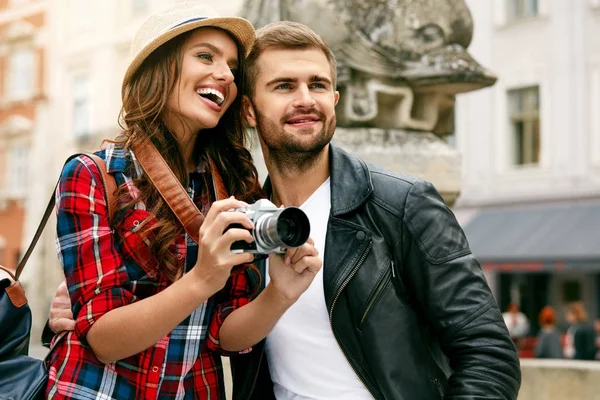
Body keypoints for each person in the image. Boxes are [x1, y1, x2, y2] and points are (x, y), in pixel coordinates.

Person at [48, 19, 521, 400]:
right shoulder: (246, 206)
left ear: (335, 101)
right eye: (284, 85)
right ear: (249, 110)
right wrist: (91, 303)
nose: (305, 100)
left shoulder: (400, 204)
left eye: (318, 85)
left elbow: (488, 353)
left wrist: (270, 291)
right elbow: (209, 331)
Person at [45, 5, 321, 399]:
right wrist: (202, 280)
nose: (225, 75)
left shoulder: (237, 187)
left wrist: (281, 294)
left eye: (232, 68)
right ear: (159, 67)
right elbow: (103, 339)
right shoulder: (93, 175)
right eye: (206, 56)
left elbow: (225, 336)